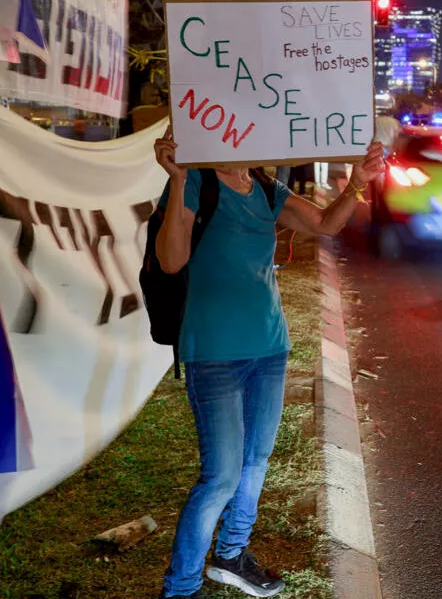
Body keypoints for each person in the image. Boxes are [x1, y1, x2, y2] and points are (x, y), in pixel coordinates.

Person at [153, 129, 384, 599]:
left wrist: (356, 183)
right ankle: (181, 587)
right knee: (220, 476)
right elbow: (171, 261)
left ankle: (231, 554)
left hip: (269, 348)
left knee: (256, 462)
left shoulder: (264, 186)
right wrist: (177, 181)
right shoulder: (197, 180)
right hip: (213, 353)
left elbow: (325, 224)